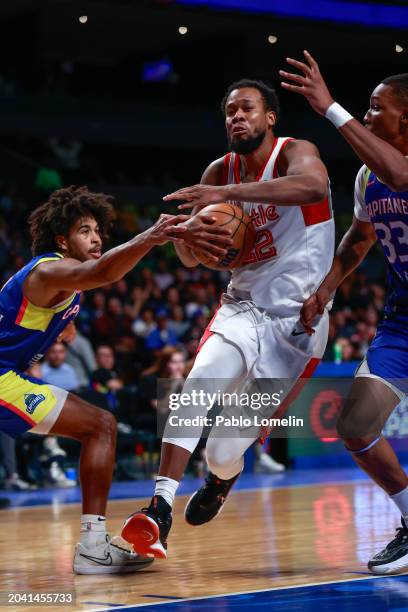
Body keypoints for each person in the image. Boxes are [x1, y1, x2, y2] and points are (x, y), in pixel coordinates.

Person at [121, 79, 335, 559]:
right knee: (198, 384)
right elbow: (191, 262)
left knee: (223, 450)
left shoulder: (294, 152)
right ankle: (159, 508)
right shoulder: (219, 169)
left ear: (269, 117)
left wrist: (228, 193)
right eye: (230, 111)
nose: (237, 117)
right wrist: (188, 234)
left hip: (296, 324)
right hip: (241, 307)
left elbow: (315, 185)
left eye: (247, 108)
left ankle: (222, 478)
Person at [0, 184, 231, 574]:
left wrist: (61, 332)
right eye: (84, 231)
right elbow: (102, 271)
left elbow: (57, 321)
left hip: (11, 375)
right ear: (62, 239)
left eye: (97, 230)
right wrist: (151, 237)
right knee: (100, 426)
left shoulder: (66, 289)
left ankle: (93, 544)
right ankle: (91, 547)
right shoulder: (48, 269)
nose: (96, 238)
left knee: (99, 426)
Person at [280, 52, 408, 574]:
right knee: (354, 424)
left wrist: (330, 106)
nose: (368, 114)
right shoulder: (364, 178)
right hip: (404, 315)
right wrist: (325, 291)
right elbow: (360, 240)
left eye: (377, 108)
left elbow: (401, 174)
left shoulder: (393, 169)